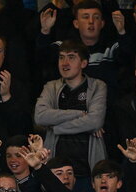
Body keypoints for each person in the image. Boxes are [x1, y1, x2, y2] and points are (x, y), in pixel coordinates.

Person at [35, 40, 106, 178]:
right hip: (56, 170)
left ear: (84, 63)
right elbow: (40, 117)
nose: (65, 63)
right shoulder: (51, 87)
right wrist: (79, 114)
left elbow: (95, 121)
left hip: (88, 170)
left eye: (71, 57)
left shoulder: (98, 86)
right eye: (61, 57)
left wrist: (56, 128)